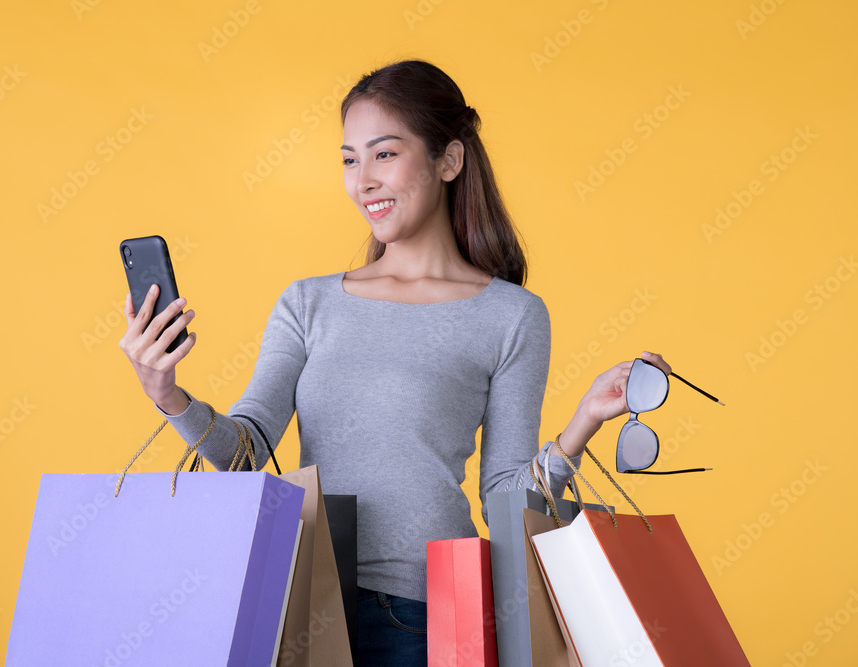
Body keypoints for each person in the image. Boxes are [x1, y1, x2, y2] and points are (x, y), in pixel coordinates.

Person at [118, 59, 673, 666]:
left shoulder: (512, 316)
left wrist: (584, 422)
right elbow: (248, 453)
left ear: (449, 160)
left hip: (430, 615)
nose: (363, 181)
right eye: (350, 160)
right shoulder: (308, 303)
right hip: (303, 601)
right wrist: (167, 394)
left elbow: (505, 501)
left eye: (384, 154)